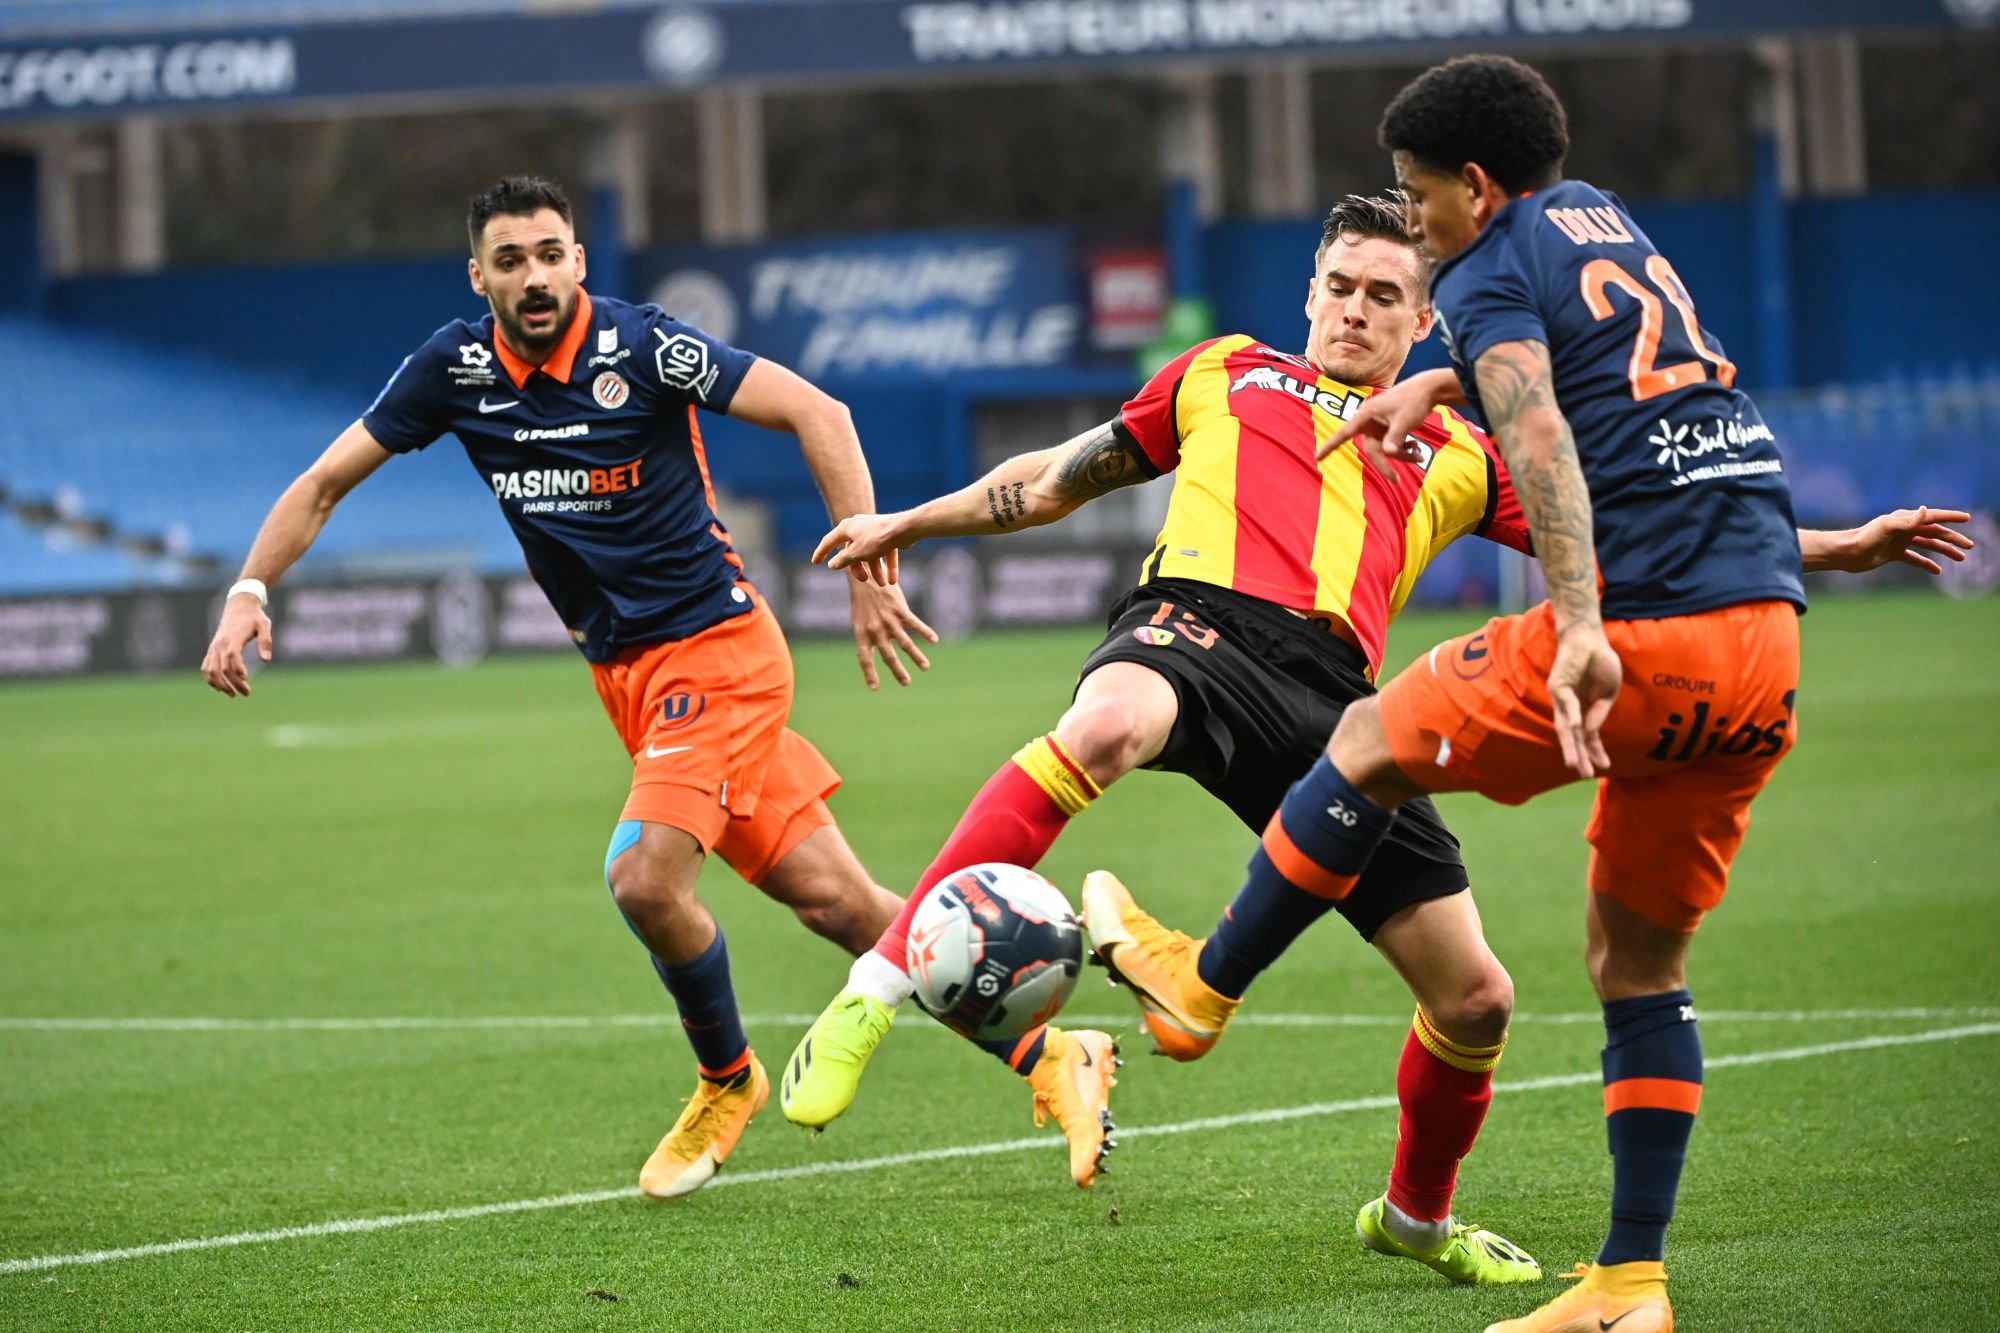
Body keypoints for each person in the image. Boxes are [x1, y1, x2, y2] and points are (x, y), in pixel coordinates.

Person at [1096, 58, 1974, 1332]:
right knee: (1636, 962)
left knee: (1362, 739)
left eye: (1417, 196)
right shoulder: (1605, 224)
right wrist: (1839, 546)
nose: (1415, 222)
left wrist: (1573, 624)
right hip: (1760, 643)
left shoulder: (1487, 265)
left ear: (1473, 183)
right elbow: (1619, 393)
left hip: (1641, 635)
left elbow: (1544, 432)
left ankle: (1202, 984)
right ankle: (1627, 1282)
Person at [198, 176, 1117, 1201]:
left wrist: (869, 569)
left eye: (550, 254)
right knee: (843, 906)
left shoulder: (642, 348)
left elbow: (817, 410)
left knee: (643, 879)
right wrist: (247, 591)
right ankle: (1054, 1057)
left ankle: (727, 1078)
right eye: (510, 260)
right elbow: (323, 482)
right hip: (629, 680)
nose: (534, 276)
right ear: (478, 277)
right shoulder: (453, 370)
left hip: (717, 655)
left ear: (579, 261)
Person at [784, 192, 1532, 1273]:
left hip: (1339, 706)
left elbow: (1606, 522)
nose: (1355, 310)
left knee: (1475, 997)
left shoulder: (1459, 448)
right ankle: (873, 991)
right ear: (1309, 293)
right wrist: (910, 519)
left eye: (1384, 295)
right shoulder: (1224, 370)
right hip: (1195, 626)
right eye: (1339, 286)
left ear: (1423, 321)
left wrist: (1804, 543)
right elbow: (1052, 481)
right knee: (1107, 726)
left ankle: (1415, 1220)